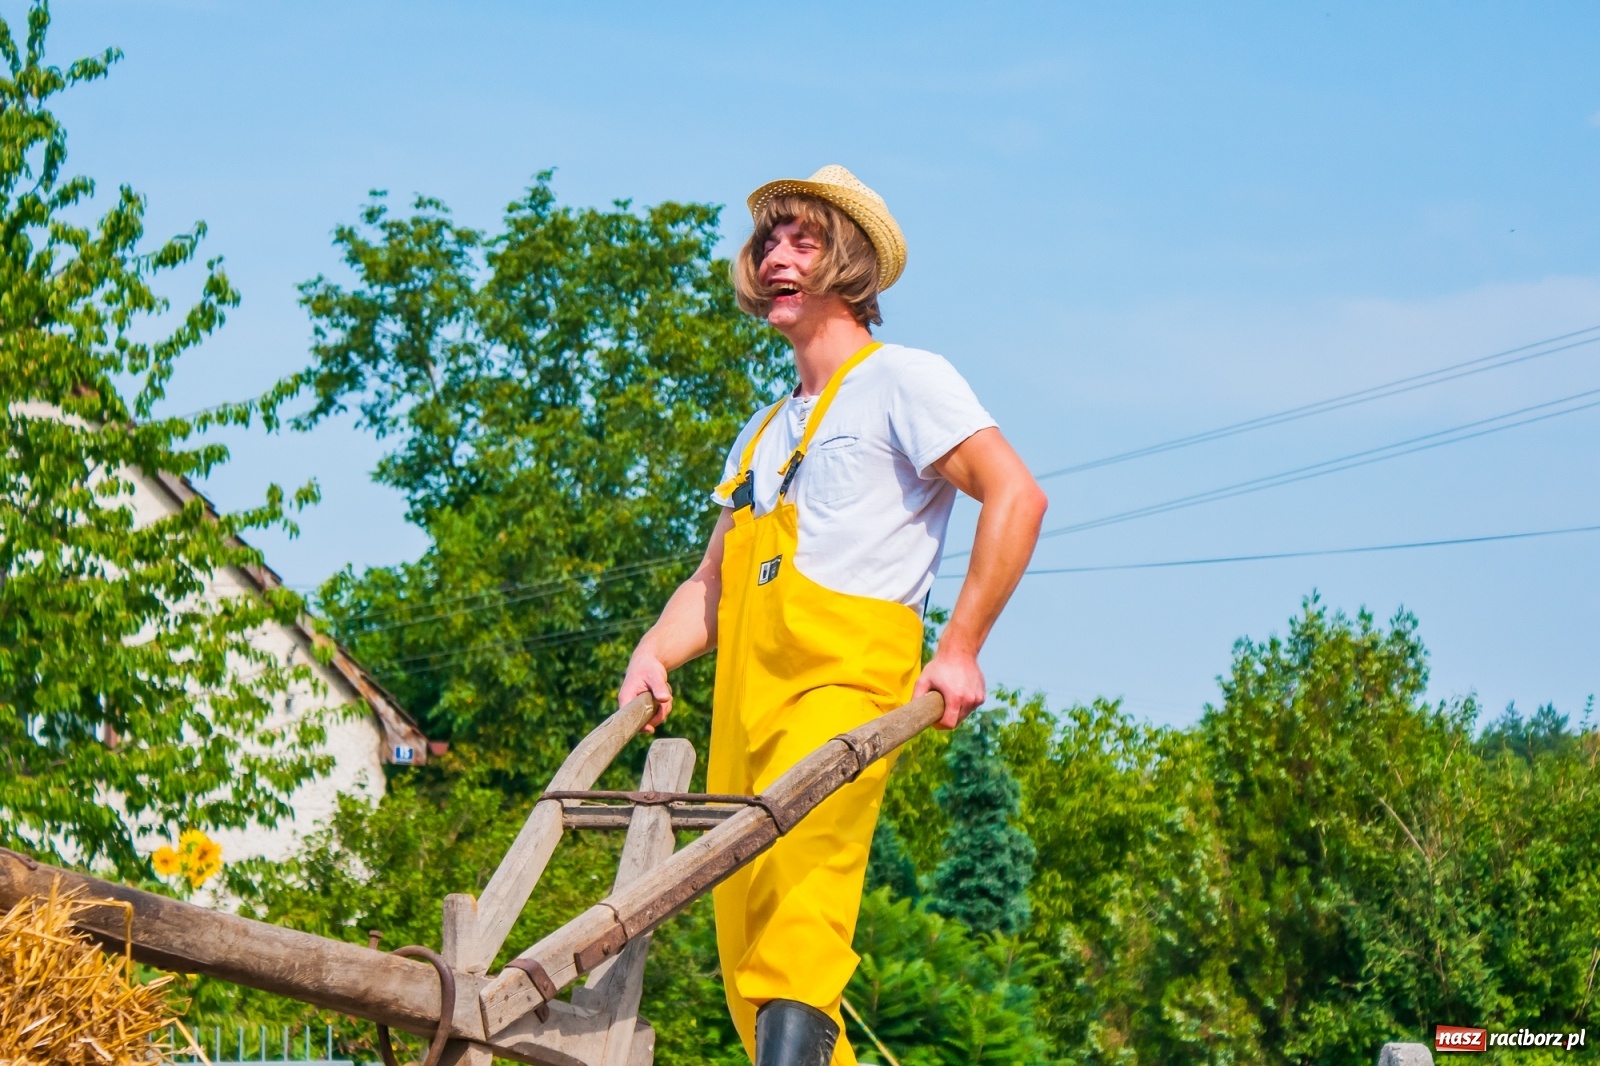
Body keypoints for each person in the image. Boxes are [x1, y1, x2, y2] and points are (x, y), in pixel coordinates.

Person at [618, 165, 1046, 1066]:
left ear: (848, 264)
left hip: (841, 687)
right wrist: (653, 652)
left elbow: (1016, 496)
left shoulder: (904, 381)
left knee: (799, 929)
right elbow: (714, 588)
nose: (776, 256)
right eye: (769, 241)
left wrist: (960, 648)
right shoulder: (764, 429)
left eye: (803, 240)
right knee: (747, 961)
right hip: (745, 706)